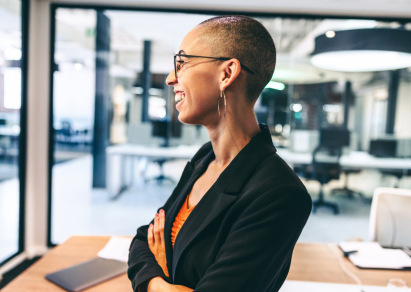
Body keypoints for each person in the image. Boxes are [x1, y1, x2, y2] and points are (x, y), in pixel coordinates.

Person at [128, 15, 312, 292]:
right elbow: (143, 240)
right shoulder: (204, 160)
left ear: (227, 74)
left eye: (182, 63)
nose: (170, 78)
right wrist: (161, 285)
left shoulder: (280, 193)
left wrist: (160, 273)